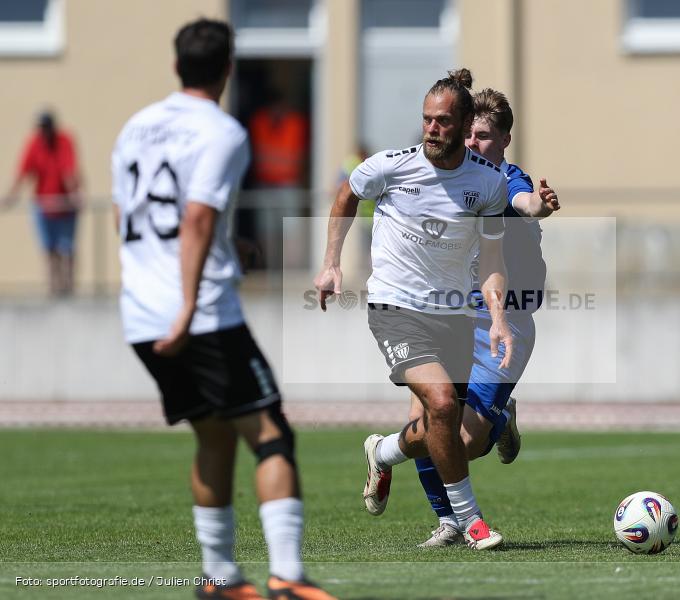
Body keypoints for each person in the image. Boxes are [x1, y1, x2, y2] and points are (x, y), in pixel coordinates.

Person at [111, 19, 334, 600]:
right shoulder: (222, 131)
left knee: (212, 436)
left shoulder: (134, 127)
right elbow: (196, 218)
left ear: (175, 64)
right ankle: (286, 576)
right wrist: (186, 307)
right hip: (201, 313)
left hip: (139, 312)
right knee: (270, 433)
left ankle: (220, 580)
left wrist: (160, 290)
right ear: (229, 68)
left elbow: (127, 217)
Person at [314, 68, 513, 550]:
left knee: (453, 430)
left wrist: (500, 318)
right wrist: (331, 264)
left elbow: (491, 260)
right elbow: (346, 194)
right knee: (442, 403)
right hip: (394, 308)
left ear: (465, 124)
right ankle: (469, 522)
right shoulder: (390, 165)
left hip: (454, 315)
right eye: (427, 120)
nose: (432, 129)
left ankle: (382, 451)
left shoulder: (487, 185)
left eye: (443, 121)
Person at [399, 88, 560, 547]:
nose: (473, 143)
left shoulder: (507, 178)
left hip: (502, 320)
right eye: (468, 133)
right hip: (446, 313)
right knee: (430, 415)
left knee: (464, 442)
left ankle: (492, 422)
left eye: (485, 135)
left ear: (506, 139)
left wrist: (541, 205)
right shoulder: (446, 179)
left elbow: (526, 202)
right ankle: (449, 522)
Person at [3, 111, 82, 296]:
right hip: (44, 206)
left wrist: (74, 195)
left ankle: (68, 288)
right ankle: (54, 289)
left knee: (67, 248)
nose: (44, 133)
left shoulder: (64, 141)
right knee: (50, 249)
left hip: (64, 206)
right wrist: (8, 199)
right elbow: (22, 174)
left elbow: (68, 171)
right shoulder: (35, 143)